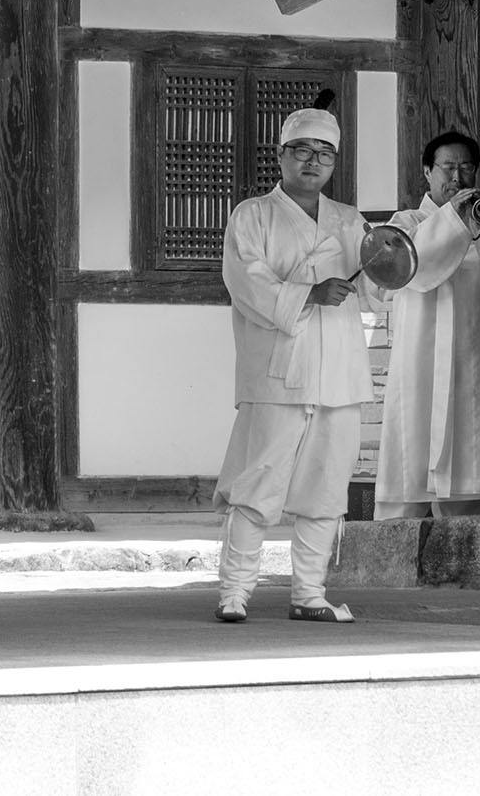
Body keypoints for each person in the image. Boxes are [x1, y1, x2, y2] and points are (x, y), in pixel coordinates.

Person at [212, 92, 374, 625]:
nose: (312, 161)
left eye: (323, 153)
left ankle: (309, 593)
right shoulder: (252, 215)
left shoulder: (350, 222)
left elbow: (379, 285)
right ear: (280, 156)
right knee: (258, 480)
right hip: (277, 372)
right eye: (300, 150)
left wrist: (391, 260)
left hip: (339, 375)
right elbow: (246, 280)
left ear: (334, 163)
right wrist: (307, 293)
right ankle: (235, 592)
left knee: (326, 487)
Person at [374, 131, 480, 518]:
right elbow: (417, 271)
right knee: (410, 464)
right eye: (447, 167)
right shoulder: (406, 222)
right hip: (420, 364)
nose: (456, 177)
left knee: (472, 466)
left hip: (474, 359)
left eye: (466, 167)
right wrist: (452, 221)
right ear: (428, 172)